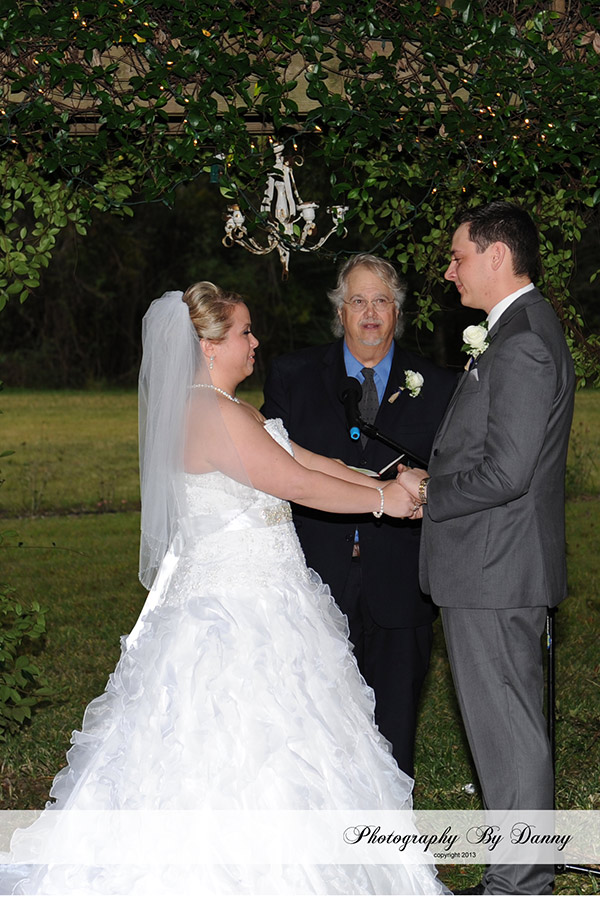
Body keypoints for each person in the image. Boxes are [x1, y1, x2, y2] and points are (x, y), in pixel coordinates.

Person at [3, 283, 448, 895]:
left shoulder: (231, 409)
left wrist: (387, 480)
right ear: (210, 346)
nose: (255, 342)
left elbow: (313, 461)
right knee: (242, 744)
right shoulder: (209, 414)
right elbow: (295, 484)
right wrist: (383, 503)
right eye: (244, 332)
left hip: (273, 599)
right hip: (235, 616)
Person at [398, 201, 576, 896]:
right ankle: (517, 873)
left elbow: (508, 472)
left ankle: (522, 882)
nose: (450, 272)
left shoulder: (523, 341)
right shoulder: (518, 330)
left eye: (458, 257)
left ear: (497, 256)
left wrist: (429, 492)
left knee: (508, 732)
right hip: (492, 566)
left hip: (495, 569)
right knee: (504, 732)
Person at [262, 254, 456, 777]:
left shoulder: (439, 384)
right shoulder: (293, 376)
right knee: (316, 724)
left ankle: (391, 825)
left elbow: (455, 473)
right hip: (316, 575)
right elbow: (273, 470)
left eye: (381, 301)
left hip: (401, 579)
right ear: (340, 312)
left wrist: (429, 485)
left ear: (397, 312)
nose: (370, 313)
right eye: (358, 301)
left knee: (394, 725)